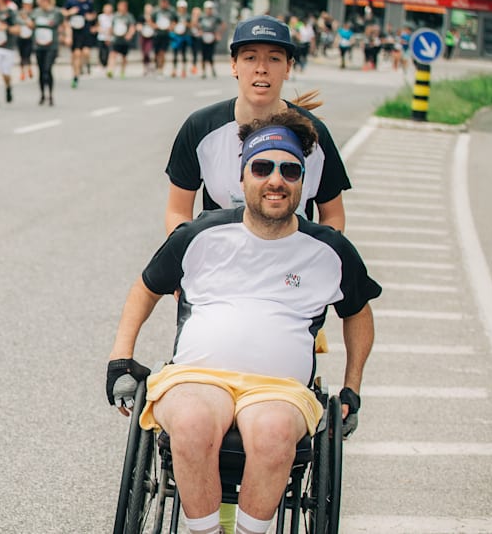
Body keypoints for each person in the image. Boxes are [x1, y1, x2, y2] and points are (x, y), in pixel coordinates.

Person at [106, 110, 378, 534]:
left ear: (302, 182)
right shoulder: (199, 235)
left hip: (280, 390)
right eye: (263, 167)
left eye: (290, 171)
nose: (276, 180)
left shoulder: (329, 251)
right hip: (196, 376)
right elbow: (145, 288)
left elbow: (358, 312)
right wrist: (120, 359)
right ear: (243, 177)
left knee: (272, 433)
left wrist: (352, 388)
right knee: (193, 423)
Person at [165, 15, 350, 239]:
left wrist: (316, 260)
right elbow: (178, 211)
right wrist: (193, 258)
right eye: (250, 58)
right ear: (234, 65)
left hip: (291, 268)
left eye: (274, 59)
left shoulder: (313, 133)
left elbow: (333, 216)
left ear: (288, 67)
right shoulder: (201, 127)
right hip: (221, 267)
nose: (261, 68)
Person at [26, 0, 64, 106]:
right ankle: (42, 94)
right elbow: (31, 25)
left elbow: (61, 25)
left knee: (48, 69)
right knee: (41, 71)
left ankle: (51, 94)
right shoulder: (36, 12)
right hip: (39, 45)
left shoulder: (56, 12)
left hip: (51, 45)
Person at [62, 0, 96, 88]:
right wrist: (70, 12)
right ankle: (75, 76)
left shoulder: (89, 2)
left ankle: (83, 66)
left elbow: (93, 14)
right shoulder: (70, 1)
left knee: (85, 53)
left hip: (85, 31)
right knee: (75, 54)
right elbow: (63, 12)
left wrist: (91, 17)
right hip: (74, 31)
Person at [109, 0, 136, 79]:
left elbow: (132, 27)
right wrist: (110, 34)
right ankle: (111, 70)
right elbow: (111, 26)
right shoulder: (115, 16)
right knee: (113, 54)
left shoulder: (129, 16)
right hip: (116, 38)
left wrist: (129, 35)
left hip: (124, 39)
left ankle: (122, 71)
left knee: (124, 57)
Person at [197, 1, 224, 79]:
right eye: (207, 9)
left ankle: (212, 69)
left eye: (210, 9)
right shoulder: (202, 17)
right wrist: (200, 31)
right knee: (203, 55)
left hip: (212, 37)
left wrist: (218, 33)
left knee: (210, 55)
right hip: (203, 37)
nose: (209, 10)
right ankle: (203, 71)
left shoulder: (215, 17)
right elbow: (197, 25)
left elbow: (223, 25)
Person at [152, 0, 175, 77]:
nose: (164, 4)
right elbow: (151, 21)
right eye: (162, 2)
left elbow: (175, 21)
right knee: (156, 53)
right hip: (157, 34)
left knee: (162, 52)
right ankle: (157, 65)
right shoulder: (156, 11)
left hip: (166, 35)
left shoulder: (171, 11)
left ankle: (160, 69)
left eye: (165, 2)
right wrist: (155, 26)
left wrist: (171, 27)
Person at [169, 0, 191, 78]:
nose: (182, 9)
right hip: (176, 36)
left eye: (183, 7)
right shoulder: (175, 15)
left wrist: (186, 24)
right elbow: (171, 25)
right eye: (181, 7)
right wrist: (174, 26)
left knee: (184, 54)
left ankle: (184, 70)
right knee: (175, 54)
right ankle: (174, 70)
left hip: (184, 37)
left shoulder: (188, 16)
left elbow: (191, 25)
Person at [15, 0, 35, 83]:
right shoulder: (19, 13)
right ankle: (22, 72)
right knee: (22, 55)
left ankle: (29, 68)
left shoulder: (34, 13)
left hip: (30, 37)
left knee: (28, 54)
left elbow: (32, 25)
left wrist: (26, 19)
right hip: (21, 36)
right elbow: (17, 22)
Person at [96, 3, 114, 77]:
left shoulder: (113, 17)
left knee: (108, 53)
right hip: (101, 36)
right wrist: (101, 31)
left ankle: (107, 66)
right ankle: (102, 64)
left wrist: (108, 36)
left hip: (110, 37)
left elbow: (112, 28)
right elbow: (98, 25)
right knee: (101, 52)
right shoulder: (101, 17)